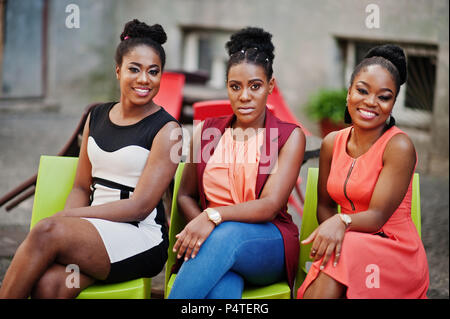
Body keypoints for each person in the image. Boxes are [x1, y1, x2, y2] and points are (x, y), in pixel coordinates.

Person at [0, 19, 182, 299]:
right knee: (49, 286)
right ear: (118, 70)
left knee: (46, 231)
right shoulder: (96, 116)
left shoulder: (167, 130)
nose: (144, 79)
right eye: (134, 69)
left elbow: (140, 207)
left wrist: (68, 219)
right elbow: (80, 187)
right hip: (95, 231)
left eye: (153, 71)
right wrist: (73, 223)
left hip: (139, 237)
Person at [168, 27, 306, 299]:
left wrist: (212, 218)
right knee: (222, 287)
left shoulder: (289, 137)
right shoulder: (207, 132)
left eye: (255, 86)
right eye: (235, 86)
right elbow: (185, 194)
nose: (244, 96)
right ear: (227, 87)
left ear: (270, 86)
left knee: (226, 237)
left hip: (268, 243)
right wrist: (203, 225)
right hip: (215, 244)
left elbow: (269, 205)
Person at [297, 44, 429, 299]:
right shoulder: (331, 142)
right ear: (348, 93)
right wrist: (333, 237)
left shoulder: (399, 146)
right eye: (362, 91)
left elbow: (378, 216)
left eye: (384, 96)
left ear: (393, 103)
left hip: (393, 250)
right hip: (349, 244)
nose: (371, 102)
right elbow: (324, 206)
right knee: (343, 252)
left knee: (345, 250)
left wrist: (341, 222)